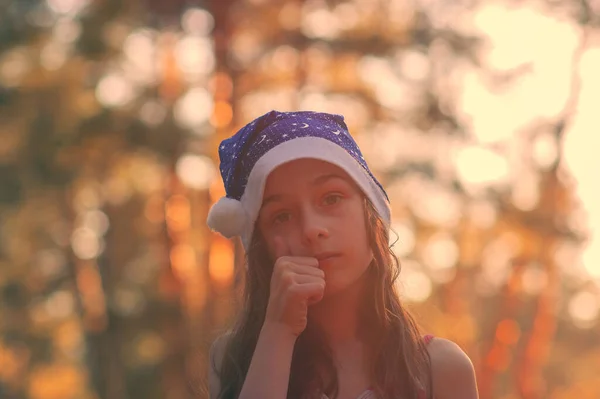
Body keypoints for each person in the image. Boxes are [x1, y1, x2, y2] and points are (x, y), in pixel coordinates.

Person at [206, 110, 478, 399]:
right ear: (261, 247)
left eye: (331, 198)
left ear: (371, 215)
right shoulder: (234, 359)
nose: (312, 229)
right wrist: (278, 331)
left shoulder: (439, 368)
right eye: (282, 216)